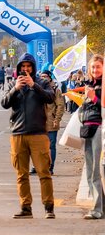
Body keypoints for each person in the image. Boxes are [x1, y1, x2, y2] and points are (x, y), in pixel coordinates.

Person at [1, 53, 55, 219]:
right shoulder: (12, 83)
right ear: (18, 69)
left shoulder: (42, 82)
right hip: (18, 134)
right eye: (23, 67)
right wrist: (15, 89)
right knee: (21, 174)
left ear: (33, 68)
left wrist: (34, 86)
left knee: (43, 172)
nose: (25, 70)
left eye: (28, 66)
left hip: (38, 133)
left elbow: (50, 98)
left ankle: (49, 208)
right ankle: (26, 207)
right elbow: (4, 103)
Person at [71, 54, 104, 219]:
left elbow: (103, 106)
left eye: (98, 67)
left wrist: (93, 97)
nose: (95, 70)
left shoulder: (102, 86)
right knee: (91, 169)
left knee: (95, 171)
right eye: (92, 67)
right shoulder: (89, 85)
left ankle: (98, 209)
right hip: (86, 130)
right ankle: (98, 207)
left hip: (98, 129)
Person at [36, 70, 63, 177]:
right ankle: (38, 166)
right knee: (38, 145)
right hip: (39, 122)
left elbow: (60, 106)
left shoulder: (55, 89)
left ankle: (50, 168)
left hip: (51, 121)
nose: (43, 78)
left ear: (50, 77)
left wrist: (57, 119)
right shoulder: (37, 87)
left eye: (45, 76)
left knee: (51, 145)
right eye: (41, 76)